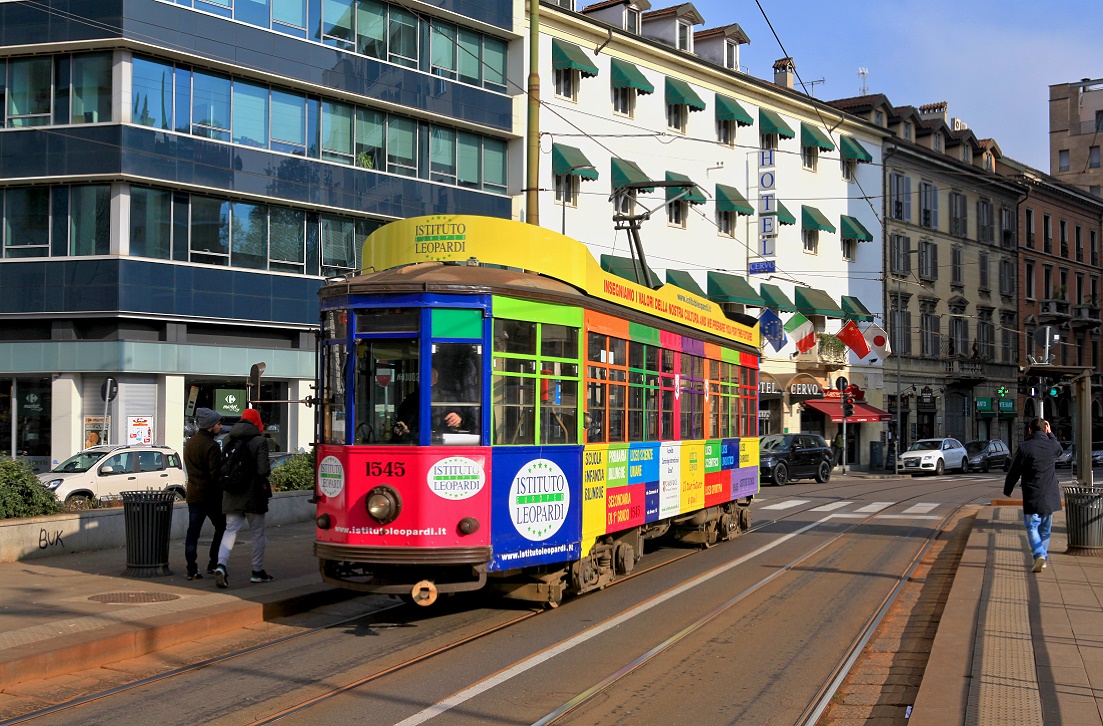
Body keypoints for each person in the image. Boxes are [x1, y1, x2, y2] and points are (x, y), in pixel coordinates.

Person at [213, 408, 273, 588]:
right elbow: (263, 470)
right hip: (253, 495)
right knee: (258, 534)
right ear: (257, 422)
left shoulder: (227, 439)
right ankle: (257, 571)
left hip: (231, 493)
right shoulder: (260, 441)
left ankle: (221, 565)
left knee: (230, 531)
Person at [1004, 417, 1064, 572]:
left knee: (1032, 526)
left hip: (1032, 493)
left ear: (1029, 430)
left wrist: (1008, 489)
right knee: (1045, 529)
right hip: (1050, 494)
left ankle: (1039, 554)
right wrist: (1050, 434)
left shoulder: (1025, 447)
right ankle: (1042, 557)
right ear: (1045, 429)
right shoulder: (1053, 445)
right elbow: (1059, 449)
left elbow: (1014, 470)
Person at [182, 408, 227, 581]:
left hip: (193, 494)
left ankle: (191, 569)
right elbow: (215, 474)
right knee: (222, 527)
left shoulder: (190, 443)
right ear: (210, 426)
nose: (220, 427)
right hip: (210, 496)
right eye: (218, 424)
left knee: (193, 532)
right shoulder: (212, 446)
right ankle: (214, 562)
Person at [392, 368, 468, 441]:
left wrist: (458, 417)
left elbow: (458, 414)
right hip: (415, 439)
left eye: (429, 376)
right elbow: (401, 419)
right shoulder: (410, 398)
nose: (425, 379)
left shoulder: (447, 396)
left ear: (435, 380)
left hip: (441, 438)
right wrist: (401, 426)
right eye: (422, 376)